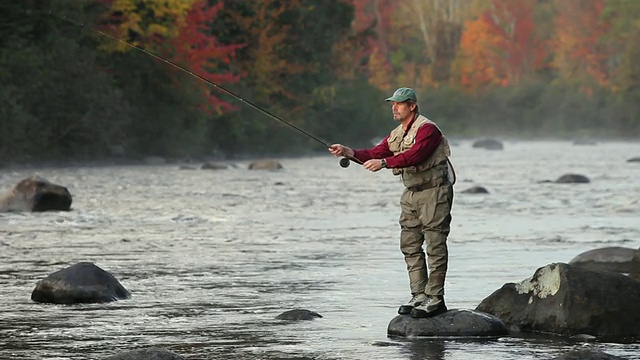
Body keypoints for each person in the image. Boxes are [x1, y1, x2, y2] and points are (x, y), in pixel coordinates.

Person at [328, 87, 454, 318]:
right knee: (409, 244)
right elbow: (374, 153)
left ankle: (435, 298)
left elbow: (417, 155)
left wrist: (385, 164)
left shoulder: (428, 129)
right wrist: (348, 152)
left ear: (412, 106)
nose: (394, 107)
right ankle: (419, 295)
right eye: (392, 104)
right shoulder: (398, 133)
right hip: (410, 194)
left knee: (435, 245)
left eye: (399, 104)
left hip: (434, 192)